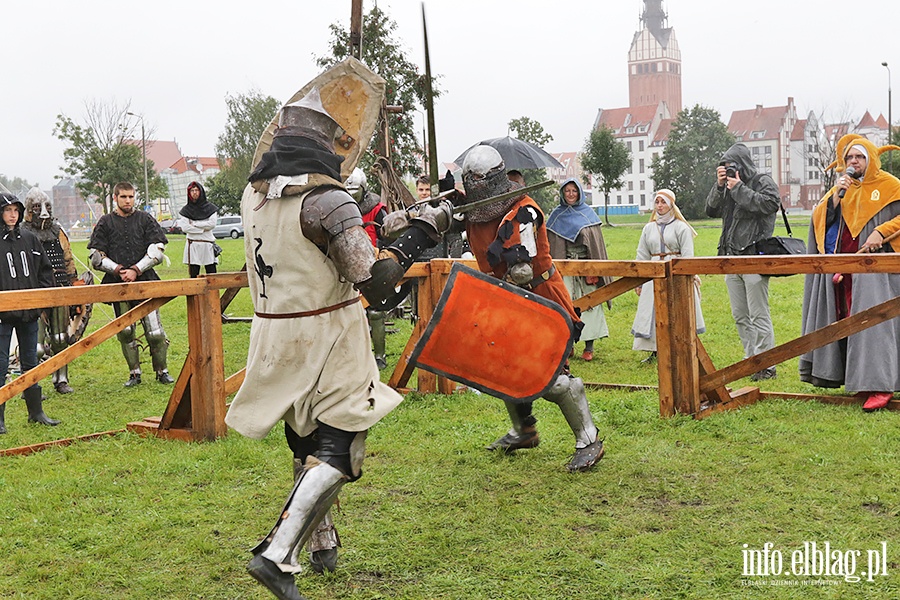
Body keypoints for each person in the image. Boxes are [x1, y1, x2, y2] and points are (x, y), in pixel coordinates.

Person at [224, 87, 451, 600]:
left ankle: (321, 541)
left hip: (275, 331)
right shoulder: (329, 201)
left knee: (305, 440)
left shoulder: (253, 195)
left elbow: (317, 248)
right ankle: (278, 553)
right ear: (327, 148)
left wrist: (390, 226)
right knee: (341, 445)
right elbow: (376, 285)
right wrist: (421, 231)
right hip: (327, 334)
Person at [453, 145, 605, 472]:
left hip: (537, 297)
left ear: (495, 178)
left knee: (550, 375)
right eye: (471, 181)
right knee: (504, 368)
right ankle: (525, 430)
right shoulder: (474, 211)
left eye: (481, 180)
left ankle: (588, 439)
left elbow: (520, 267)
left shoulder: (525, 210)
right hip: (504, 298)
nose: (476, 186)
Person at [799, 136, 900, 411]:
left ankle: (880, 384)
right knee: (847, 318)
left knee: (875, 321)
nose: (853, 162)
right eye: (849, 158)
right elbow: (820, 220)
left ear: (871, 159)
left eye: (859, 157)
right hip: (845, 268)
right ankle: (858, 379)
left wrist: (882, 231)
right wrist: (833, 198)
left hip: (877, 268)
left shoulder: (890, 186)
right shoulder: (842, 188)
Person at [88, 182, 175, 387]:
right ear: (115, 197)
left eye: (131, 196)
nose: (128, 200)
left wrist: (136, 270)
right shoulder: (106, 222)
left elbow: (157, 249)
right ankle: (134, 372)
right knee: (126, 331)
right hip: (118, 284)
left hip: (145, 280)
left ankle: (162, 370)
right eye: (124, 197)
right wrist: (118, 270)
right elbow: (96, 256)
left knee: (155, 332)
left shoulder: (145, 219)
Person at [706, 142, 780, 381]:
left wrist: (738, 188)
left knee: (758, 313)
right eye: (724, 167)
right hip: (731, 258)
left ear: (743, 164)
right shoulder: (726, 186)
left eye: (731, 166)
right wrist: (720, 187)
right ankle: (752, 361)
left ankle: (766, 364)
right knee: (740, 315)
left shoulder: (762, 181)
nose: (728, 170)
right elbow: (710, 210)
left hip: (754, 256)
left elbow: (769, 204)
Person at [0, 193, 59, 434]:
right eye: (7, 210)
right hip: (2, 316)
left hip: (29, 314)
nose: (12, 215)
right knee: (0, 364)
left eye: (16, 210)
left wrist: (43, 301)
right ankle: (0, 418)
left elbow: (45, 271)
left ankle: (36, 412)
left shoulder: (30, 239)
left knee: (31, 362)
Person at [631, 189, 705, 359]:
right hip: (654, 273)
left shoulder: (681, 227)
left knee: (676, 310)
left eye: (663, 202)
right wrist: (639, 281)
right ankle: (656, 350)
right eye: (657, 202)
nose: (660, 205)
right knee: (654, 310)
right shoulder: (649, 228)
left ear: (671, 204)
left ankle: (680, 348)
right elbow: (642, 254)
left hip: (676, 274)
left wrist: (688, 276)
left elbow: (688, 255)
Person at [546, 178, 612, 362]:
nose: (570, 194)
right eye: (567, 191)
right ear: (562, 193)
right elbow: (551, 246)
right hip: (565, 269)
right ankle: (568, 345)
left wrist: (593, 268)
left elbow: (595, 245)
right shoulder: (556, 216)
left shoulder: (588, 215)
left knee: (590, 306)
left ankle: (589, 346)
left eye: (574, 190)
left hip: (585, 269)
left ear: (580, 192)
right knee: (565, 306)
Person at [22, 187, 79, 394]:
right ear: (29, 209)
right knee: (35, 344)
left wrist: (74, 288)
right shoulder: (22, 233)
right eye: (37, 207)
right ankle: (30, 385)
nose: (43, 212)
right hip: (35, 290)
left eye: (46, 206)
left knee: (60, 338)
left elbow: (68, 260)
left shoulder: (58, 231)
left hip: (60, 288)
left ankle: (61, 379)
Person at [345, 167, 390, 369]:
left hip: (371, 267)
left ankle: (379, 356)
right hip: (345, 268)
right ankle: (353, 357)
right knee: (348, 314)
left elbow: (387, 237)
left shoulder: (376, 209)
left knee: (375, 312)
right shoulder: (340, 209)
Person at [177, 181, 219, 278]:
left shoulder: (210, 208)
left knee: (212, 274)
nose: (194, 192)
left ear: (201, 192)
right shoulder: (186, 211)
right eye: (192, 190)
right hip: (193, 245)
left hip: (207, 244)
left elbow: (211, 224)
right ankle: (194, 294)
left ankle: (213, 293)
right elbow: (185, 227)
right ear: (189, 193)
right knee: (194, 274)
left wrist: (195, 224)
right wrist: (202, 229)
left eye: (196, 190)